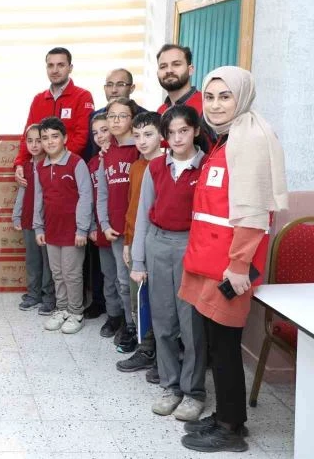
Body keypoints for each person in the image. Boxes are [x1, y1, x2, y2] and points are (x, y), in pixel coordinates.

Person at [179, 67, 287, 453]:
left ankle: (230, 429)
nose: (215, 105)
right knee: (218, 344)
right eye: (210, 97)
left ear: (242, 97)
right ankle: (229, 415)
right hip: (213, 260)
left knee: (225, 347)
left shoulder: (251, 138)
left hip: (230, 267)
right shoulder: (228, 137)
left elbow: (254, 211)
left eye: (225, 96)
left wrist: (239, 264)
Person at [130, 105, 209, 422]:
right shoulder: (156, 168)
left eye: (184, 131)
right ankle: (170, 386)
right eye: (171, 132)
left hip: (191, 245)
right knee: (162, 322)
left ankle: (193, 392)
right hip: (158, 244)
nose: (177, 138)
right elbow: (143, 214)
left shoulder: (207, 167)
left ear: (196, 131)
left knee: (191, 324)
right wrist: (138, 259)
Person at [34, 117, 93, 334]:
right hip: (52, 230)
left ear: (65, 138)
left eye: (54, 136)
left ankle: (76, 312)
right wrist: (38, 227)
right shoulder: (40, 167)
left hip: (73, 231)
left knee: (71, 274)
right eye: (45, 138)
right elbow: (39, 199)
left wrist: (82, 229)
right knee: (57, 273)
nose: (49, 141)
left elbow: (86, 196)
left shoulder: (76, 163)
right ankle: (62, 309)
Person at [117, 111, 163, 368]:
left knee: (159, 302)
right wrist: (128, 241)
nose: (142, 141)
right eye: (137, 136)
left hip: (157, 244)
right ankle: (145, 348)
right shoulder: (136, 167)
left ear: (161, 135)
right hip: (135, 242)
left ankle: (160, 353)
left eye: (148, 134)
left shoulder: (166, 165)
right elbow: (131, 208)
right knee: (139, 299)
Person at [96, 97, 140, 352]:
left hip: (136, 230)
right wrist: (103, 224)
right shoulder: (107, 153)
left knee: (134, 282)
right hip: (115, 230)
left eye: (122, 116)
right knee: (121, 281)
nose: (116, 121)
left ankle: (139, 328)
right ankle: (128, 324)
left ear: (132, 119)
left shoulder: (140, 149)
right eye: (111, 116)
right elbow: (102, 193)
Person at [13, 47, 94, 186]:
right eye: (50, 65)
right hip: (41, 171)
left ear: (70, 68)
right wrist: (20, 163)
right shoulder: (38, 99)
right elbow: (28, 136)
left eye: (60, 65)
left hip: (70, 170)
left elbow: (82, 137)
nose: (55, 70)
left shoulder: (83, 96)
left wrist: (55, 160)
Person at [12, 123, 55, 314]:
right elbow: (22, 192)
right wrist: (17, 215)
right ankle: (33, 293)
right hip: (29, 220)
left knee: (48, 262)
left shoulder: (50, 165)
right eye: (30, 141)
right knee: (32, 260)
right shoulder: (26, 167)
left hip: (47, 223)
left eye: (39, 140)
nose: (35, 145)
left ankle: (48, 297)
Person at [89, 115, 122, 337]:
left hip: (121, 229)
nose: (100, 136)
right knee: (109, 276)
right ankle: (113, 316)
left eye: (104, 130)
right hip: (102, 229)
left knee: (123, 279)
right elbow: (91, 199)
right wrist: (92, 225)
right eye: (95, 132)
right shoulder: (93, 163)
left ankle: (129, 321)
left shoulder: (127, 155)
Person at [155, 44, 202, 115]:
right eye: (163, 66)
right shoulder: (161, 111)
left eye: (176, 64)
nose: (169, 70)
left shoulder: (206, 105)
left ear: (190, 70)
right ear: (157, 73)